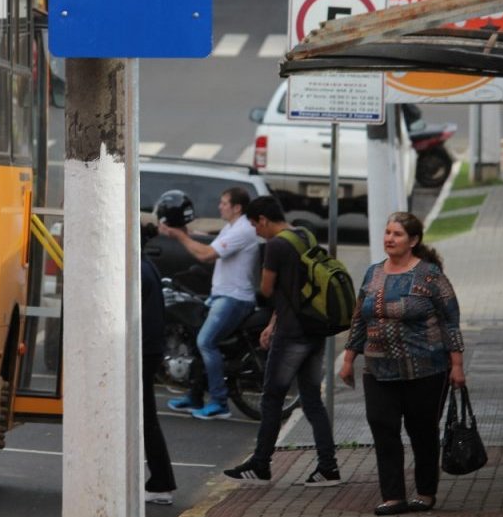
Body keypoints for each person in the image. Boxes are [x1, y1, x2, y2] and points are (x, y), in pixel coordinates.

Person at [339, 212, 465, 516]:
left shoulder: (429, 275)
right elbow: (359, 318)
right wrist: (348, 359)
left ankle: (425, 492)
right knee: (383, 429)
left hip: (426, 371)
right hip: (379, 371)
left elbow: (451, 320)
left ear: (413, 241)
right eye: (387, 233)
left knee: (422, 432)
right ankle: (393, 497)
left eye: (396, 234)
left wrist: (457, 364)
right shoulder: (372, 274)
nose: (389, 239)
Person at [223, 196, 340, 486]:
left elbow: (266, 289)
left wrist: (275, 320)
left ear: (262, 219)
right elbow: (297, 290)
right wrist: (272, 323)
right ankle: (329, 467)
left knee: (272, 398)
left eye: (253, 225)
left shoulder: (275, 246)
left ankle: (261, 464)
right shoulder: (305, 234)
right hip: (314, 329)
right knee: (312, 400)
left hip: (292, 335)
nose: (255, 232)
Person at [158, 187, 259, 420]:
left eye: (224, 203)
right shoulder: (232, 227)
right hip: (222, 295)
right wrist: (184, 232)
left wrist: (179, 236)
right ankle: (194, 396)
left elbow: (206, 255)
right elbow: (213, 243)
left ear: (237, 207)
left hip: (235, 298)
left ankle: (219, 402)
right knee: (196, 340)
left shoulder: (243, 230)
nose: (219, 206)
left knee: (206, 342)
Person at [140, 224, 177, 506]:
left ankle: (161, 482)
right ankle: (159, 481)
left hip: (142, 351)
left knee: (146, 418)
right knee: (144, 417)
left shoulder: (139, 271)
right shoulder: (146, 266)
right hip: (149, 350)